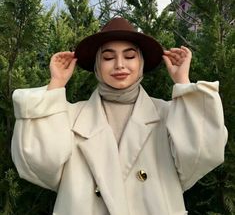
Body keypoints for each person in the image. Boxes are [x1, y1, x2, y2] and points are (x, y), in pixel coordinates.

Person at [11, 17, 227, 215]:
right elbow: (40, 166)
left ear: (141, 63)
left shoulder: (169, 114)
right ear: (97, 65)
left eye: (130, 56)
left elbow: (203, 155)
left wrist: (183, 81)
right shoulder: (69, 116)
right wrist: (56, 84)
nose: (120, 65)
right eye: (107, 57)